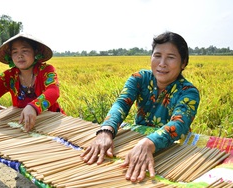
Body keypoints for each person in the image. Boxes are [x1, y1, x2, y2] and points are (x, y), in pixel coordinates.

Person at [80, 31, 200, 182]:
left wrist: (148, 144)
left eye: (170, 57)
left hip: (172, 152)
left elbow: (179, 123)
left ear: (183, 63)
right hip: (136, 143)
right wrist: (106, 131)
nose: (162, 63)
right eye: (157, 55)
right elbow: (122, 103)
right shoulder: (139, 79)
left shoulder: (188, 92)